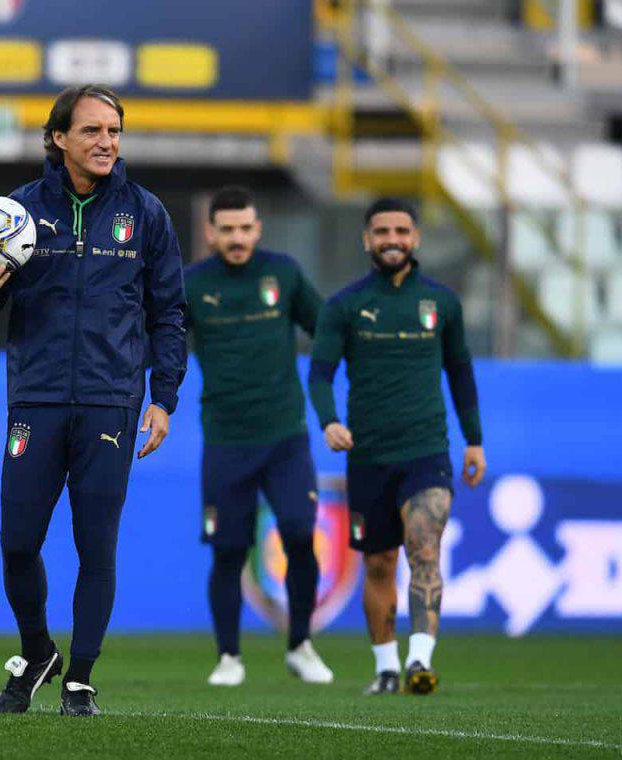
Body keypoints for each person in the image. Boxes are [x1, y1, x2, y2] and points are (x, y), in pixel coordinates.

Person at [0, 84, 186, 716]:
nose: (106, 142)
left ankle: (80, 677)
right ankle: (37, 650)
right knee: (17, 543)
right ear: (58, 138)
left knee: (96, 546)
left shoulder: (145, 214)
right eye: (91, 131)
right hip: (36, 399)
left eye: (114, 131)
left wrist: (162, 397)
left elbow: (170, 314)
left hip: (113, 403)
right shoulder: (17, 213)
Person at [308, 197, 485, 696]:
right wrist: (329, 422)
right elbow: (320, 374)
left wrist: (475, 441)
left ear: (416, 238)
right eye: (382, 231)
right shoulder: (344, 306)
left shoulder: (443, 304)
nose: (392, 239)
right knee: (379, 561)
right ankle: (386, 668)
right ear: (367, 239)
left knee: (424, 545)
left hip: (427, 451)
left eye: (402, 231)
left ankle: (419, 663)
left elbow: (461, 372)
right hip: (368, 456)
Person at [184, 186, 332, 687]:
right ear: (210, 233)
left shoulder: (283, 273)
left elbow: (328, 332)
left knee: (298, 533)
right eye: (226, 229)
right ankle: (229, 657)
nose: (237, 238)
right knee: (228, 550)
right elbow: (159, 344)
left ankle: (301, 645)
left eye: (245, 228)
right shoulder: (191, 285)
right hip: (225, 439)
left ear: (258, 228)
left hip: (286, 438)